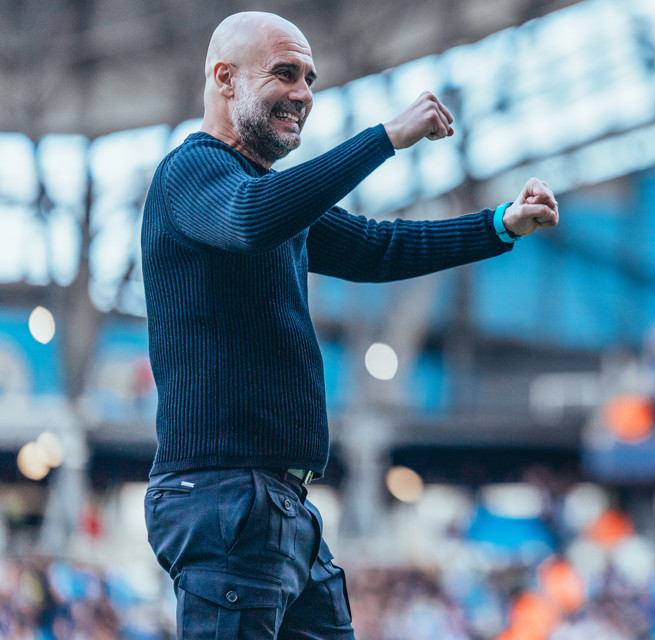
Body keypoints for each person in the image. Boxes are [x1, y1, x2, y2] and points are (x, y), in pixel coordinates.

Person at [140, 11, 559, 639]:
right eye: (285, 73)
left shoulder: (268, 193)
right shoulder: (193, 174)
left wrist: (499, 224)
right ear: (224, 80)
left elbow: (374, 246)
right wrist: (384, 138)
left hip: (277, 507)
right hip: (223, 498)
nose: (305, 94)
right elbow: (249, 219)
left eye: (310, 78)